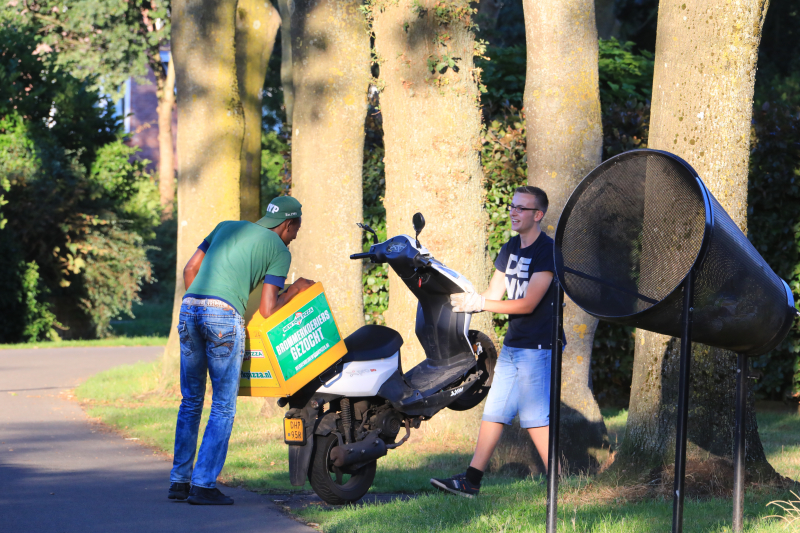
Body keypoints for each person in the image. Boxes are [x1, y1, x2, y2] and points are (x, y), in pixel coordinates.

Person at [168, 196, 314, 505]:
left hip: (189, 307)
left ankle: (179, 482)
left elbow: (190, 269)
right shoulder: (278, 251)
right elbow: (268, 309)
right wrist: (296, 289)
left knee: (191, 400)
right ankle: (203, 485)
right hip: (223, 316)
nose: (295, 237)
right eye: (295, 230)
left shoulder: (226, 227)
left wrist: (202, 301)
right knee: (223, 404)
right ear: (287, 224)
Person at [430, 185, 563, 498]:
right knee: (494, 412)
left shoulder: (548, 251)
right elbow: (492, 296)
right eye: (512, 206)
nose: (513, 212)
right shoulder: (510, 248)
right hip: (515, 345)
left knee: (533, 419)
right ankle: (471, 481)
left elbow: (528, 303)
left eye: (521, 208)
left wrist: (479, 303)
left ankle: (559, 486)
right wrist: (464, 303)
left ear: (538, 215)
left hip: (540, 346)